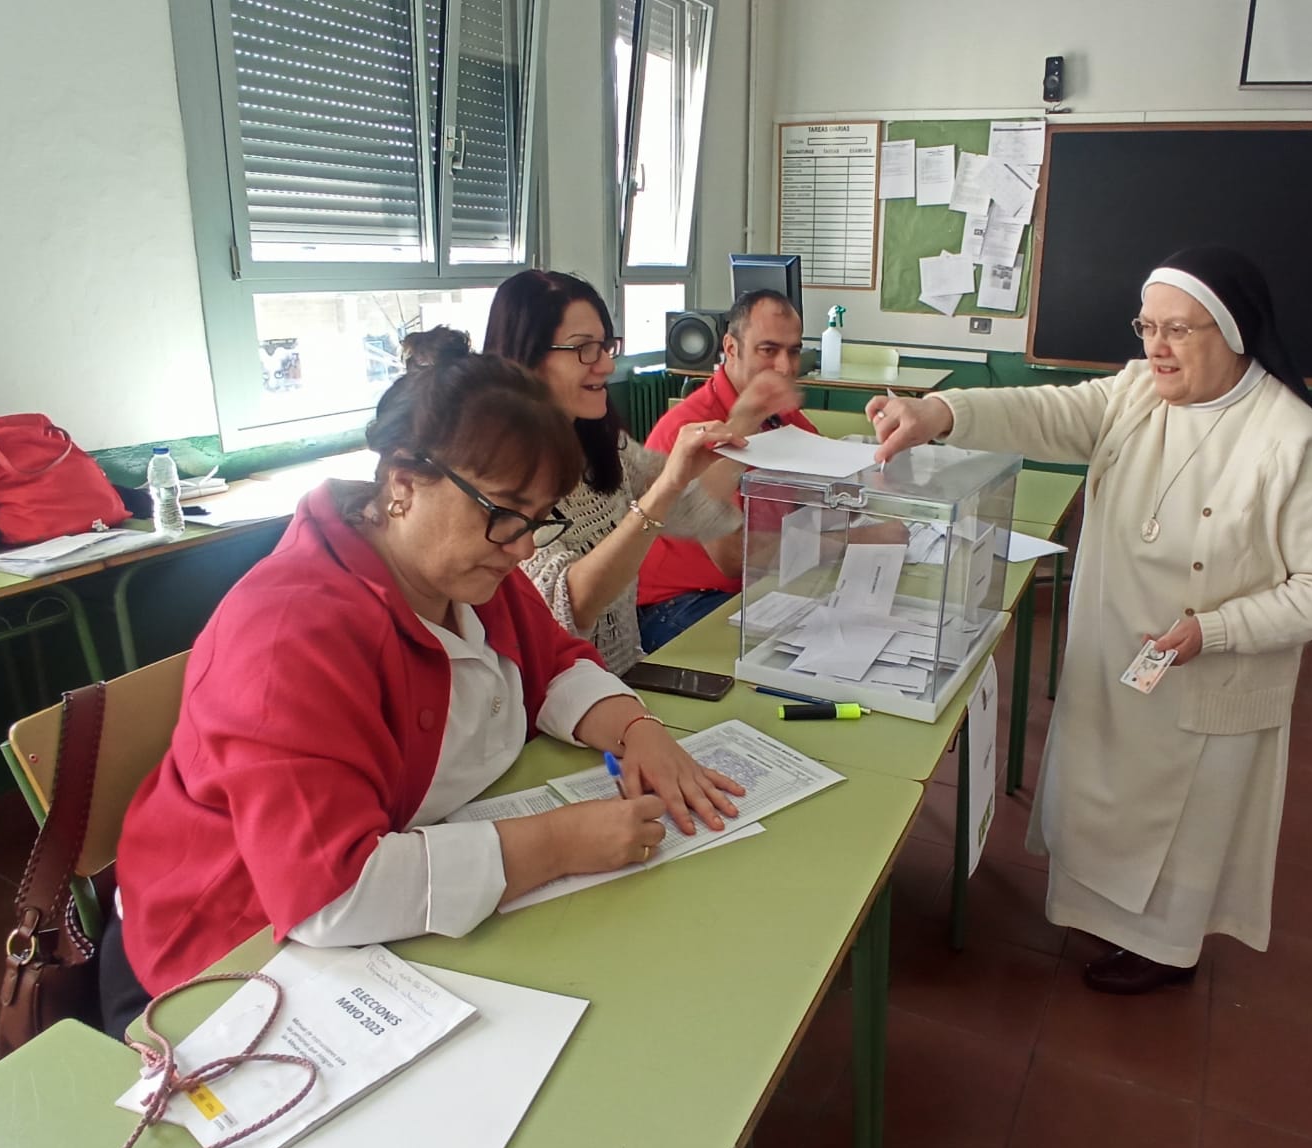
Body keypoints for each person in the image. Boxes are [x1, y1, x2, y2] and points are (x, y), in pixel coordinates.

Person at [106, 329, 744, 1026]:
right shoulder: (289, 635)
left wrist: (635, 727)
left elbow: (552, 661)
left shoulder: (464, 568)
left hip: (390, 896)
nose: (525, 546)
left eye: (537, 519)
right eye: (504, 513)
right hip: (229, 958)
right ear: (404, 485)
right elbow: (329, 891)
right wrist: (557, 843)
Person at [868, 246, 1312, 994]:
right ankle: (1108, 918)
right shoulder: (1140, 390)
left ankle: (1169, 952)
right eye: (1146, 327)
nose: (1155, 348)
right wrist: (940, 411)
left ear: (1233, 333)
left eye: (1178, 331)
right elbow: (1051, 410)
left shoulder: (1291, 439)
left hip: (1208, 669)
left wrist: (1218, 630)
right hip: (1118, 652)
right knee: (1106, 794)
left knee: (1184, 826)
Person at [482, 270, 743, 673]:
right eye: (584, 349)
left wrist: (736, 448)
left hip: (620, 682)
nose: (605, 364)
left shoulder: (606, 446)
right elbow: (568, 607)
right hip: (554, 705)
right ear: (527, 358)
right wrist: (665, 490)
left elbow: (702, 516)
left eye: (606, 345)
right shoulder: (502, 474)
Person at [636, 289, 815, 652]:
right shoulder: (689, 428)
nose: (785, 367)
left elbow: (825, 483)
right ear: (731, 348)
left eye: (794, 351)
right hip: (680, 603)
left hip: (754, 589)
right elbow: (735, 557)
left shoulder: (778, 413)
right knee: (797, 657)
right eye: (768, 350)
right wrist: (852, 541)